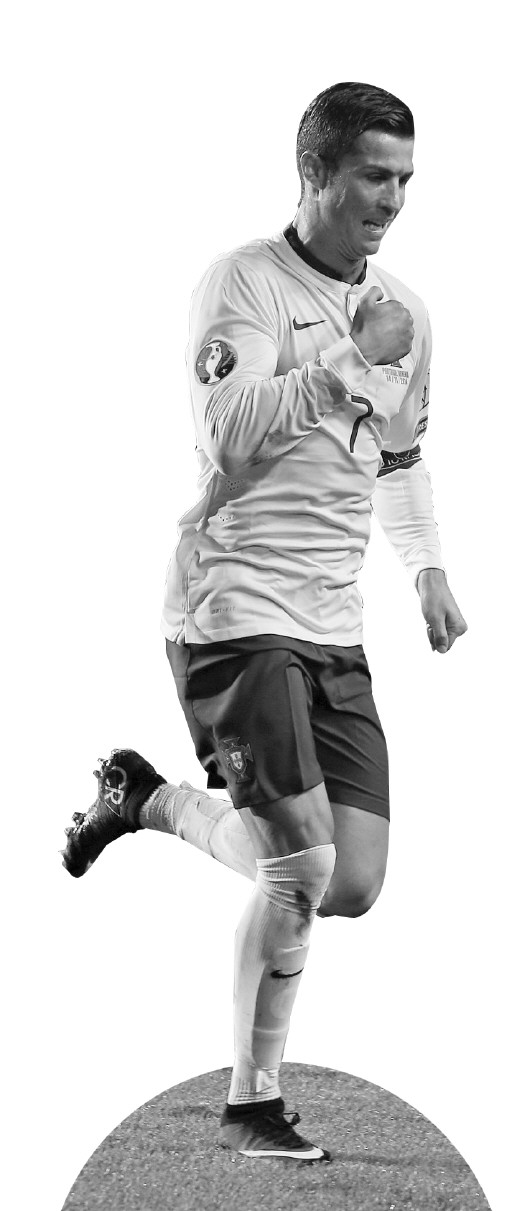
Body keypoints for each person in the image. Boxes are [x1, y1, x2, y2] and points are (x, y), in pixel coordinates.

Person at [62, 82, 467, 1162]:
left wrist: (426, 567)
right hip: (230, 606)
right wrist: (347, 360)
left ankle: (147, 799)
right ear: (314, 173)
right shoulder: (240, 283)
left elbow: (400, 456)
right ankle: (252, 1104)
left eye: (405, 180)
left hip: (332, 620)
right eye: (372, 176)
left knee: (351, 879)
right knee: (298, 870)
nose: (391, 201)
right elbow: (230, 433)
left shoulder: (407, 313)